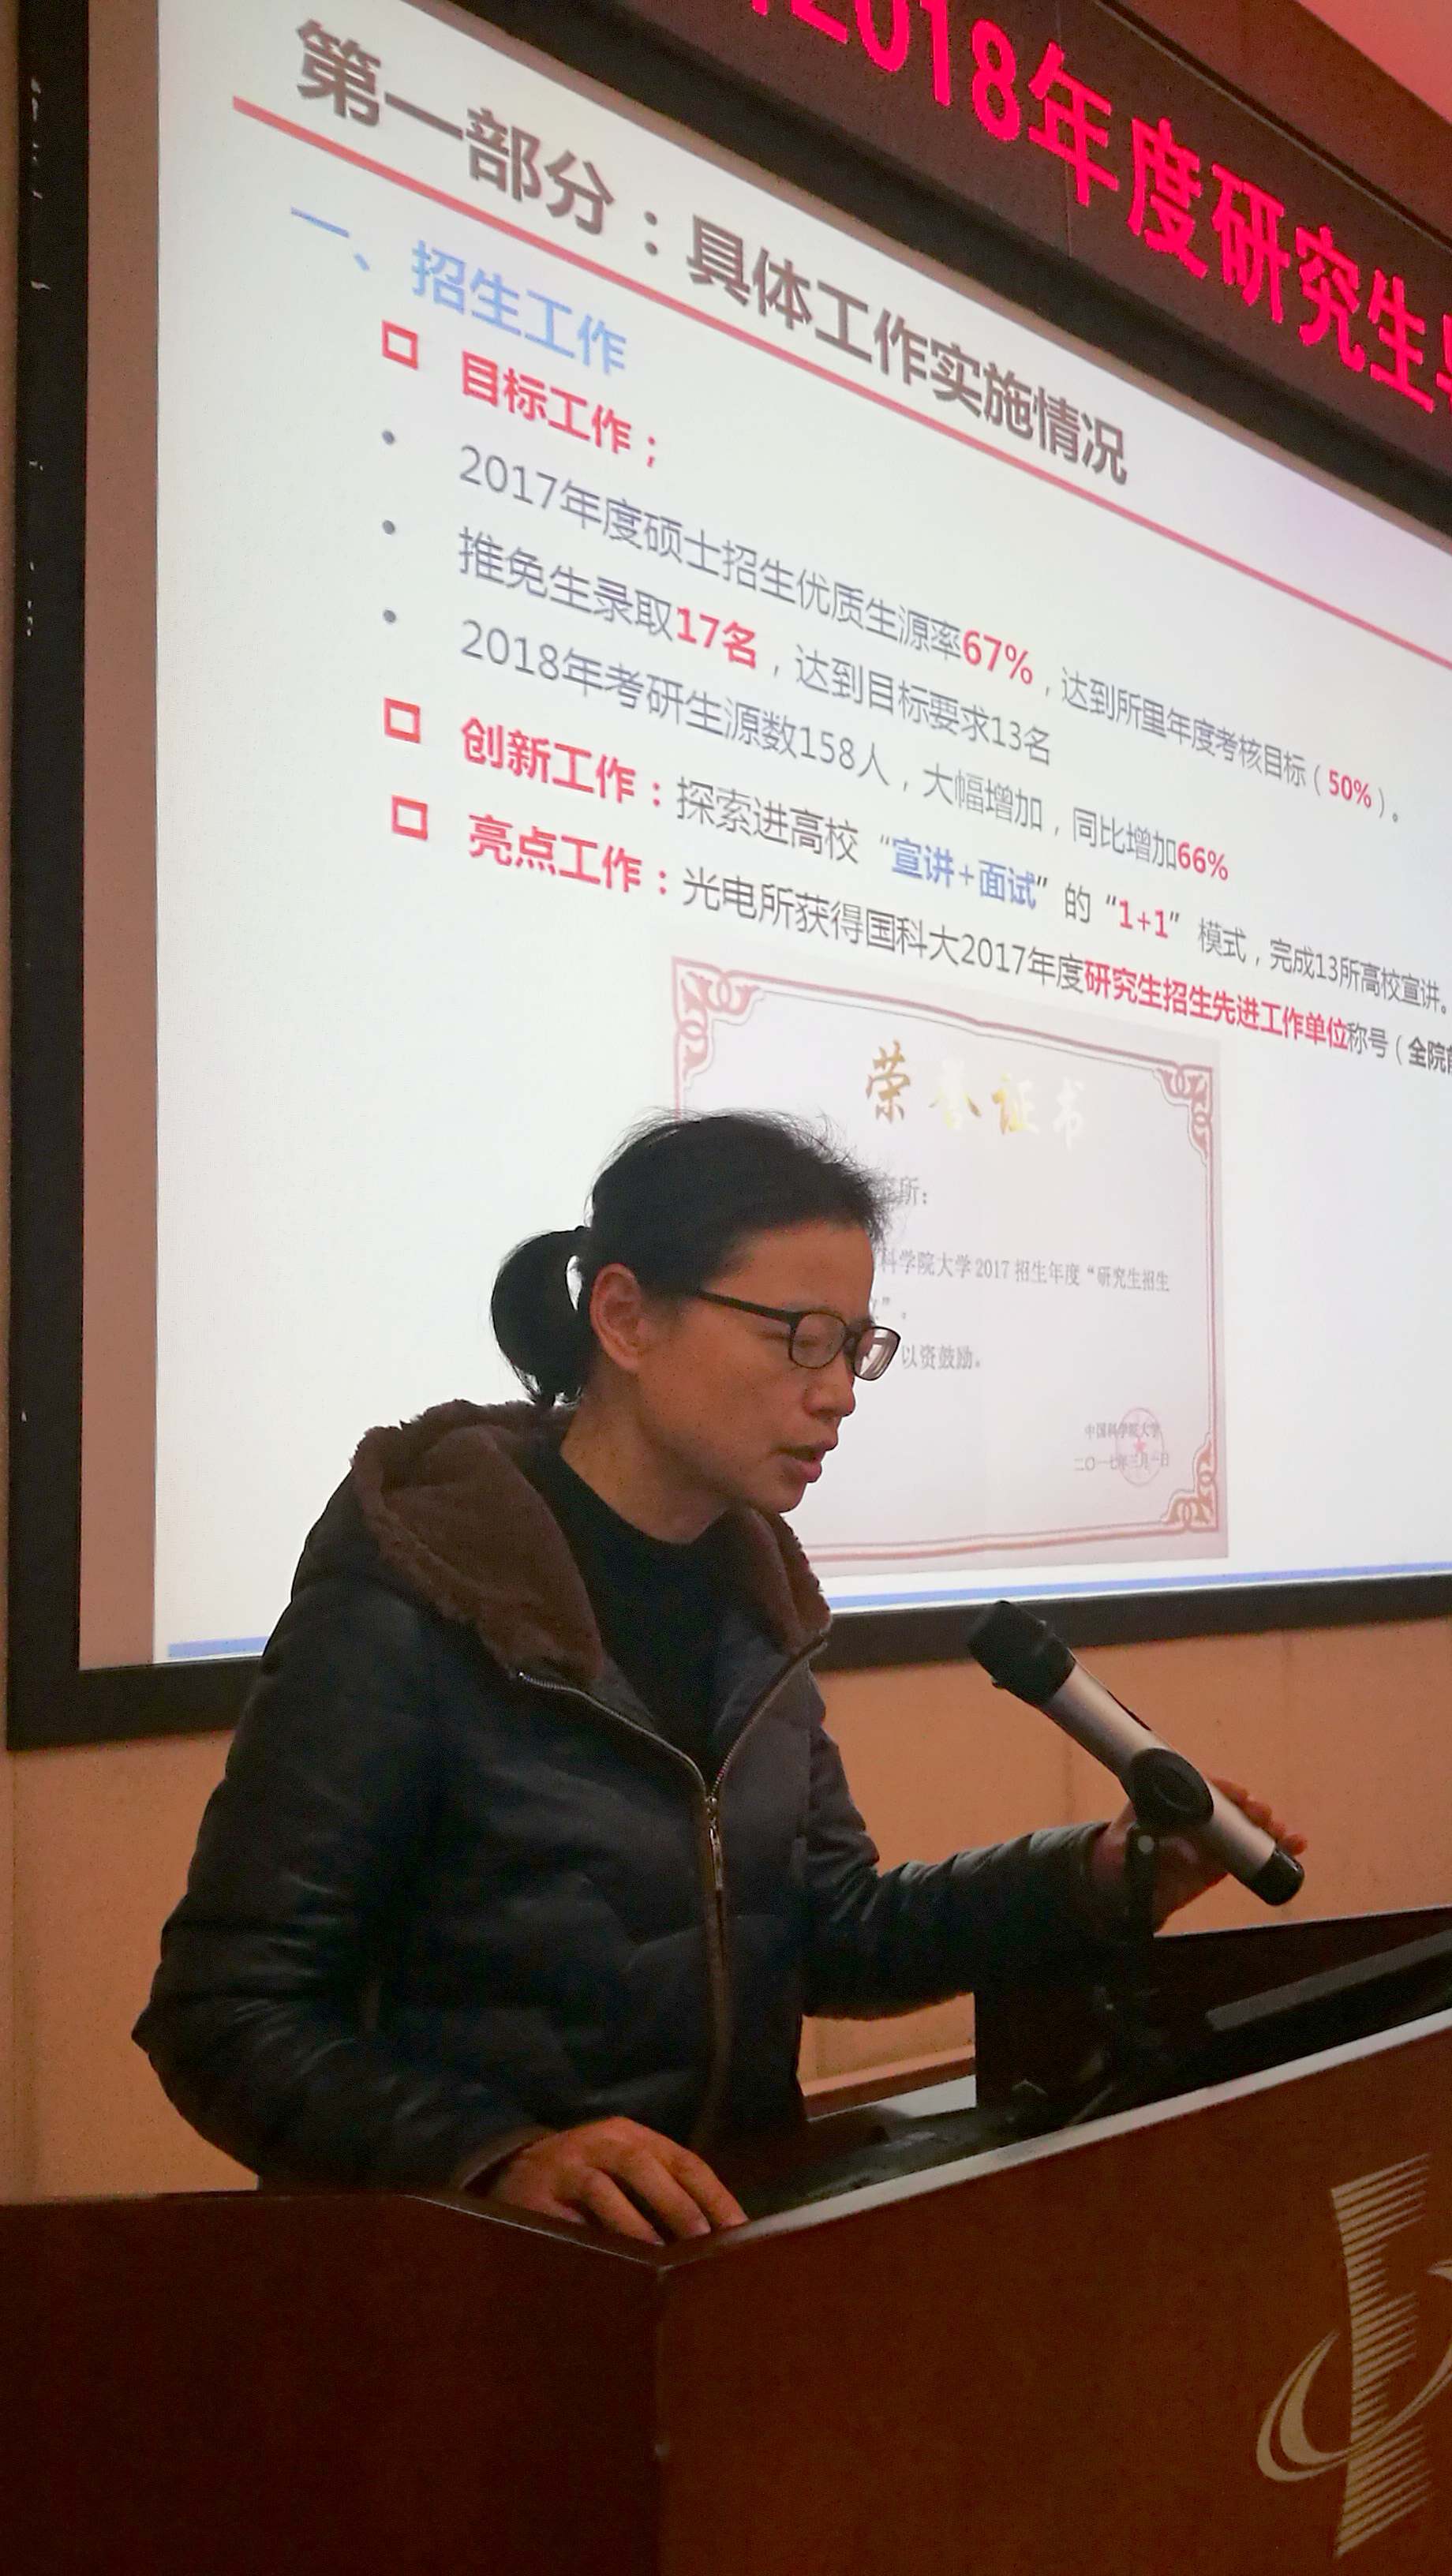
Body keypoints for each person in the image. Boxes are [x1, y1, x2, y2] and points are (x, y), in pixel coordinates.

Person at [136, 1112, 1301, 2245]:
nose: (839, 1390)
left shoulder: (755, 1604)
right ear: (627, 1317)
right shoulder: (413, 1601)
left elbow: (833, 1932)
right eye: (800, 1337)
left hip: (721, 2256)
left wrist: (1093, 1880)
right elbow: (226, 2014)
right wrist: (493, 2155)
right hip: (473, 2294)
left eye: (856, 1345)